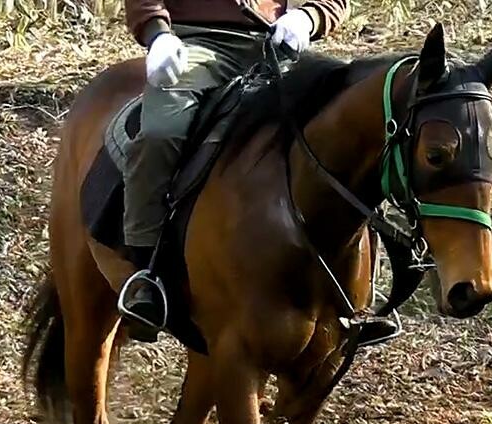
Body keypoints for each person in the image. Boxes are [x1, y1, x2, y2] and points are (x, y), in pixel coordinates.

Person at [118, 0, 349, 336]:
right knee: (160, 133)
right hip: (194, 45)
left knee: (351, 124)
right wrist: (157, 33)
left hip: (280, 45)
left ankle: (370, 272)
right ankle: (145, 270)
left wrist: (307, 17)